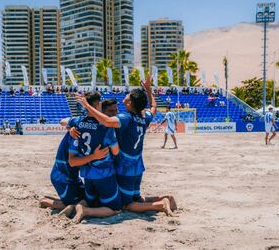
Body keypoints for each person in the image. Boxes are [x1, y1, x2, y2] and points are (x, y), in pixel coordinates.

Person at [76, 74, 176, 217]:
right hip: (138, 165)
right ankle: (164, 199)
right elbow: (153, 107)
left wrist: (87, 106)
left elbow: (107, 121)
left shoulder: (126, 118)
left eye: (128, 97)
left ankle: (161, 205)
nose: (125, 97)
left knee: (126, 205)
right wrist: (148, 89)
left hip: (125, 167)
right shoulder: (144, 117)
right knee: (136, 198)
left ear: (129, 104)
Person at [39, 99, 119, 216]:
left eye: (116, 110)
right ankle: (48, 202)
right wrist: (70, 128)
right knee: (83, 203)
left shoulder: (88, 126)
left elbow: (64, 122)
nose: (114, 114)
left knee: (90, 199)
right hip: (64, 176)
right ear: (99, 112)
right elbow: (73, 161)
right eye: (110, 111)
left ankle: (61, 200)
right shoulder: (81, 129)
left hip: (73, 176)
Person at [67, 92, 122, 223]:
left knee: (92, 201)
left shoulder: (78, 123)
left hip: (87, 175)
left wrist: (70, 128)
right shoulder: (105, 127)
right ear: (97, 105)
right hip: (104, 174)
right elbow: (115, 152)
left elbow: (63, 121)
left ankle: (76, 206)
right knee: (116, 209)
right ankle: (85, 211)